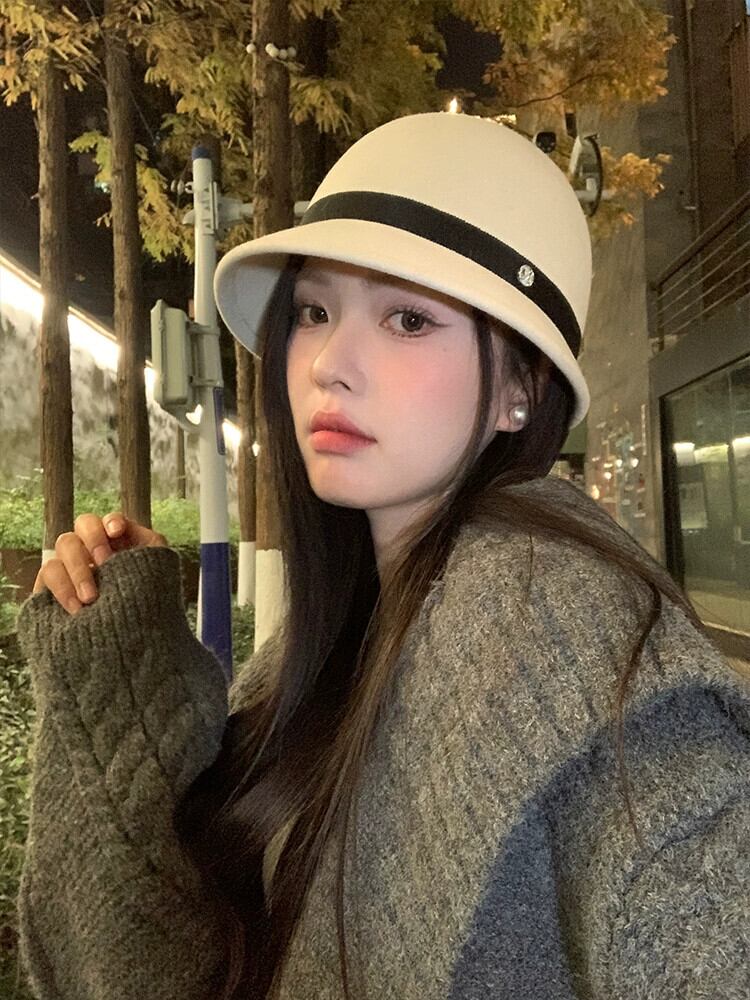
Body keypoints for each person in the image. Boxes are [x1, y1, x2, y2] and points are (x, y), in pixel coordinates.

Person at [16, 113, 750, 1000]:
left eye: (407, 318)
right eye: (315, 312)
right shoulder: (341, 626)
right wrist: (123, 661)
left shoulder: (580, 640)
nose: (329, 362)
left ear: (520, 390)